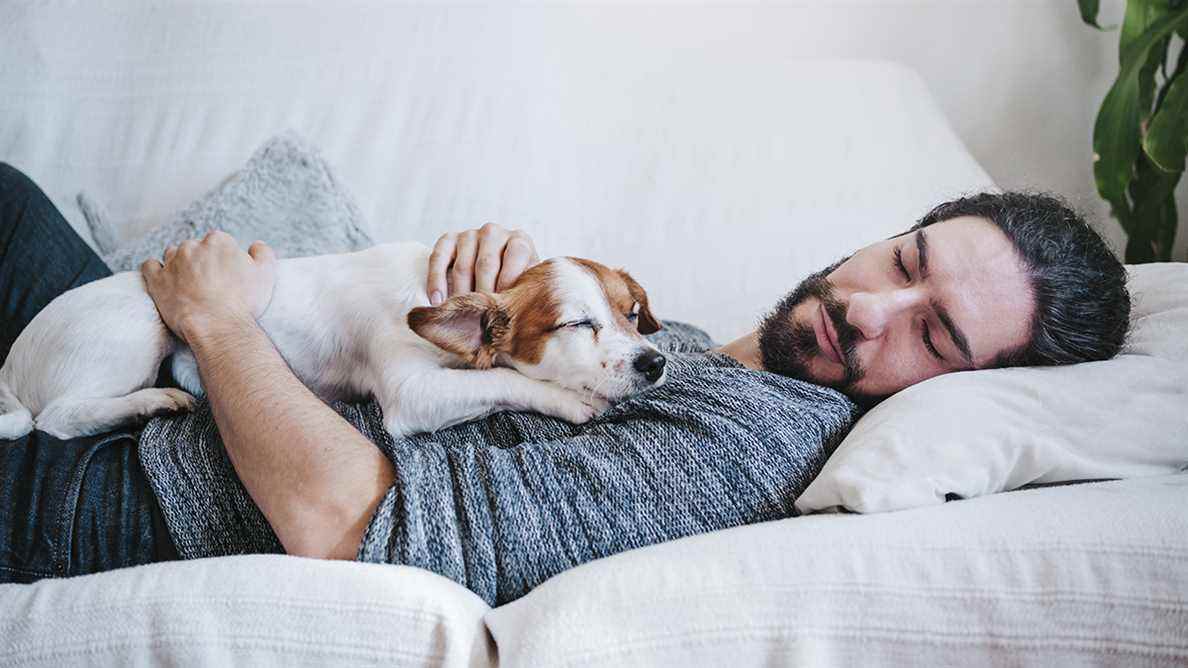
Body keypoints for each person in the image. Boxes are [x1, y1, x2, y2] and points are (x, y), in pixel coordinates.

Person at [0, 162, 1130, 605]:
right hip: (177, 363)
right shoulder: (674, 342)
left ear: (972, 392)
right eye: (904, 262)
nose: (868, 307)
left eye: (933, 335)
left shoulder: (746, 441)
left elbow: (346, 518)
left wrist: (215, 319)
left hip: (127, 485)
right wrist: (486, 289)